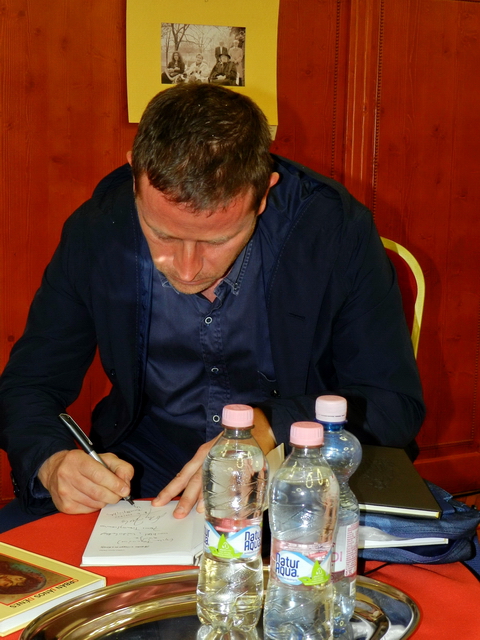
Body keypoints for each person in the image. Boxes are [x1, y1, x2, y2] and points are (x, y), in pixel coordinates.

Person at [0, 83, 425, 532]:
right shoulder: (98, 230)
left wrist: (268, 428)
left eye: (218, 240)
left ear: (264, 194)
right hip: (145, 473)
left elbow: (393, 405)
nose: (186, 270)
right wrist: (52, 460)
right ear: (135, 175)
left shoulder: (333, 232)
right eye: (162, 234)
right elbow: (29, 385)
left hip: (297, 476)